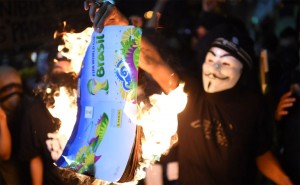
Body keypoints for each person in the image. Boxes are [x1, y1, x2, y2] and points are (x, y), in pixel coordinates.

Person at [83, 1, 293, 185]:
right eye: (211, 60)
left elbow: (261, 152)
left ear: (243, 69)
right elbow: (153, 63)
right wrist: (123, 27)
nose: (215, 68)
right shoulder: (190, 93)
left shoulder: (252, 105)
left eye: (226, 63)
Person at [18, 54, 96, 185]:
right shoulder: (35, 111)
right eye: (53, 58)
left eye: (64, 57)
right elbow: (34, 157)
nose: (57, 61)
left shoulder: (92, 102)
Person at [0, 65, 31, 185]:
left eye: (15, 86)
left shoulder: (28, 110)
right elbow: (5, 154)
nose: (13, 92)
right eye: (6, 88)